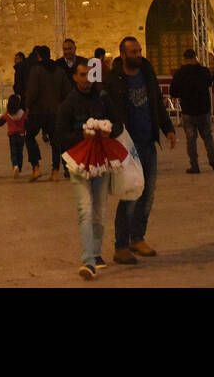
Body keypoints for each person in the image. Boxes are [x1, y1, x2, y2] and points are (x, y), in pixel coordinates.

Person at [107, 36, 176, 264]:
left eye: (139, 51)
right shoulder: (115, 79)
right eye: (133, 52)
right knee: (130, 193)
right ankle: (121, 245)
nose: (138, 55)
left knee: (147, 194)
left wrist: (167, 128)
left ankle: (138, 237)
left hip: (148, 143)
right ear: (123, 54)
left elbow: (156, 101)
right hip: (127, 145)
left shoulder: (147, 72)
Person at [54, 58, 123, 279]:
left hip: (101, 161)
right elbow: (60, 136)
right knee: (85, 209)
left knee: (100, 210)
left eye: (89, 75)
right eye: (82, 75)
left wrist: (108, 130)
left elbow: (118, 123)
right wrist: (80, 136)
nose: (86, 80)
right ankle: (88, 260)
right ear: (75, 77)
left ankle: (95, 252)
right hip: (80, 163)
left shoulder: (102, 99)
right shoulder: (68, 104)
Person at [168, 48, 214, 174]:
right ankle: (213, 161)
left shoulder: (180, 73)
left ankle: (194, 165)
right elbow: (209, 83)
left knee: (191, 140)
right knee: (207, 136)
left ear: (184, 59)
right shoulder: (203, 71)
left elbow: (173, 92)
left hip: (188, 110)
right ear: (195, 57)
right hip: (203, 109)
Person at [25, 45, 63, 181]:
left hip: (38, 111)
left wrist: (27, 105)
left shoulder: (36, 70)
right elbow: (66, 90)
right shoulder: (59, 70)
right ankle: (56, 171)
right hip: (54, 111)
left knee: (29, 136)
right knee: (55, 141)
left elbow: (32, 91)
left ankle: (36, 168)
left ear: (39, 56)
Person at [2, 94, 30, 176]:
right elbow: (27, 123)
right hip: (21, 135)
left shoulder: (8, 114)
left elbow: (0, 122)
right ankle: (20, 167)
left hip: (12, 135)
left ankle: (15, 165)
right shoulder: (22, 113)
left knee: (13, 152)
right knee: (20, 152)